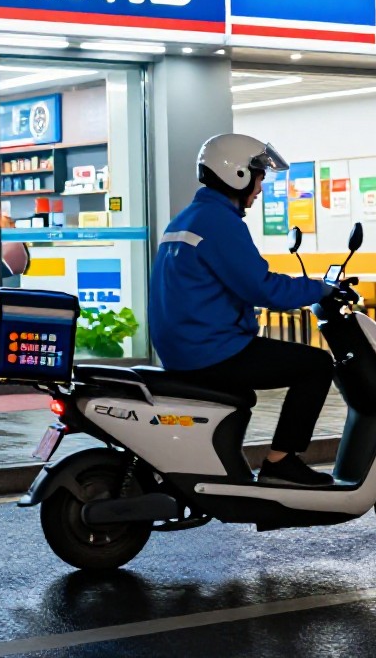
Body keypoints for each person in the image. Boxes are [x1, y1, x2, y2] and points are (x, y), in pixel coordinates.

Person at [148, 133, 337, 488]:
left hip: (184, 347)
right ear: (237, 174)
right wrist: (321, 288)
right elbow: (262, 287)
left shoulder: (188, 218)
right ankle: (282, 462)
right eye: (259, 176)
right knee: (316, 365)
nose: (261, 187)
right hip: (211, 350)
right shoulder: (219, 223)